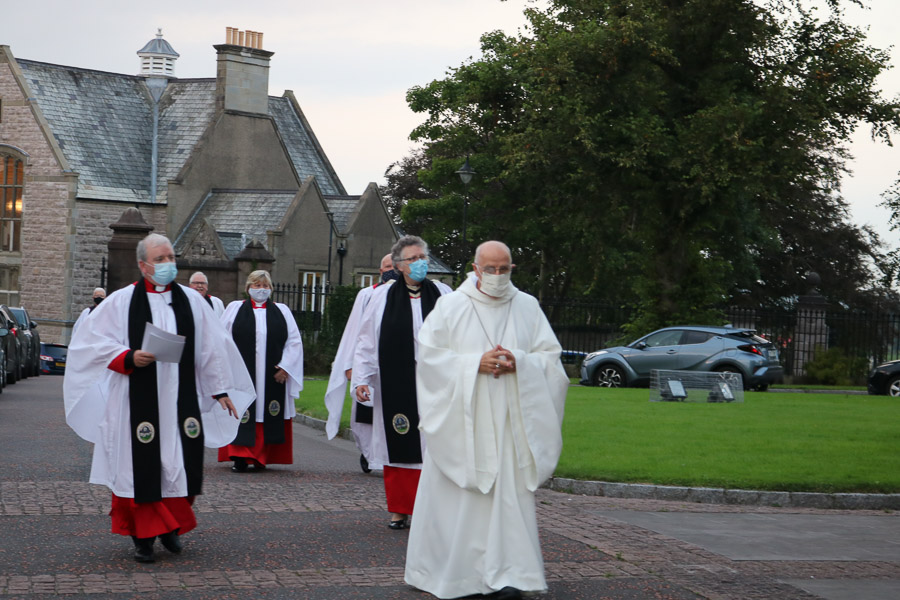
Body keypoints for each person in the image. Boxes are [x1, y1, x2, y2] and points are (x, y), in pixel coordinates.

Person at [63, 233, 255, 563]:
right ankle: (142, 537)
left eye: (171, 257)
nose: (168, 264)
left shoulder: (192, 301)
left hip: (179, 398)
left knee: (178, 464)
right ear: (143, 265)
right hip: (134, 398)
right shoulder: (122, 301)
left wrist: (220, 389)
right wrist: (127, 356)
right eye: (160, 259)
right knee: (137, 467)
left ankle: (170, 528)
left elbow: (210, 346)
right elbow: (89, 342)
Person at [404, 241, 568, 600]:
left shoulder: (527, 306)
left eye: (503, 269)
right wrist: (472, 364)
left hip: (510, 420)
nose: (496, 275)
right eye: (490, 269)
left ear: (512, 269)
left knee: (507, 499)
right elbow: (429, 358)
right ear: (475, 269)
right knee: (459, 502)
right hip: (463, 422)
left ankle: (509, 575)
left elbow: (550, 358)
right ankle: (456, 577)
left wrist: (520, 362)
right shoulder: (451, 306)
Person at [352, 235, 451, 529]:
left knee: (436, 444)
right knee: (399, 439)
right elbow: (367, 341)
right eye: (413, 259)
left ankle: (434, 509)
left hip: (437, 382)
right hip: (396, 380)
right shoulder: (382, 297)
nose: (420, 263)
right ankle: (400, 509)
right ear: (399, 265)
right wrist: (362, 378)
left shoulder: (443, 293)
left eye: (423, 257)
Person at [218, 270, 303, 473]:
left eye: (265, 286)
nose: (261, 289)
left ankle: (261, 457)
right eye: (257, 285)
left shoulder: (282, 311)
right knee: (243, 411)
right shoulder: (234, 309)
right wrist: (228, 367)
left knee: (267, 412)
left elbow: (294, 342)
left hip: (271, 377)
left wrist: (285, 367)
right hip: (241, 375)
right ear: (248, 287)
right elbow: (221, 339)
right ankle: (240, 456)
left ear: (271, 289)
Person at [324, 253, 397, 472]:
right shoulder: (367, 295)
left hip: (397, 364)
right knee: (366, 413)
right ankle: (369, 454)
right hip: (371, 363)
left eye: (395, 266)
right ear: (380, 271)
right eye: (387, 267)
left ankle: (391, 457)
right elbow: (355, 331)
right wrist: (350, 366)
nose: (392, 270)